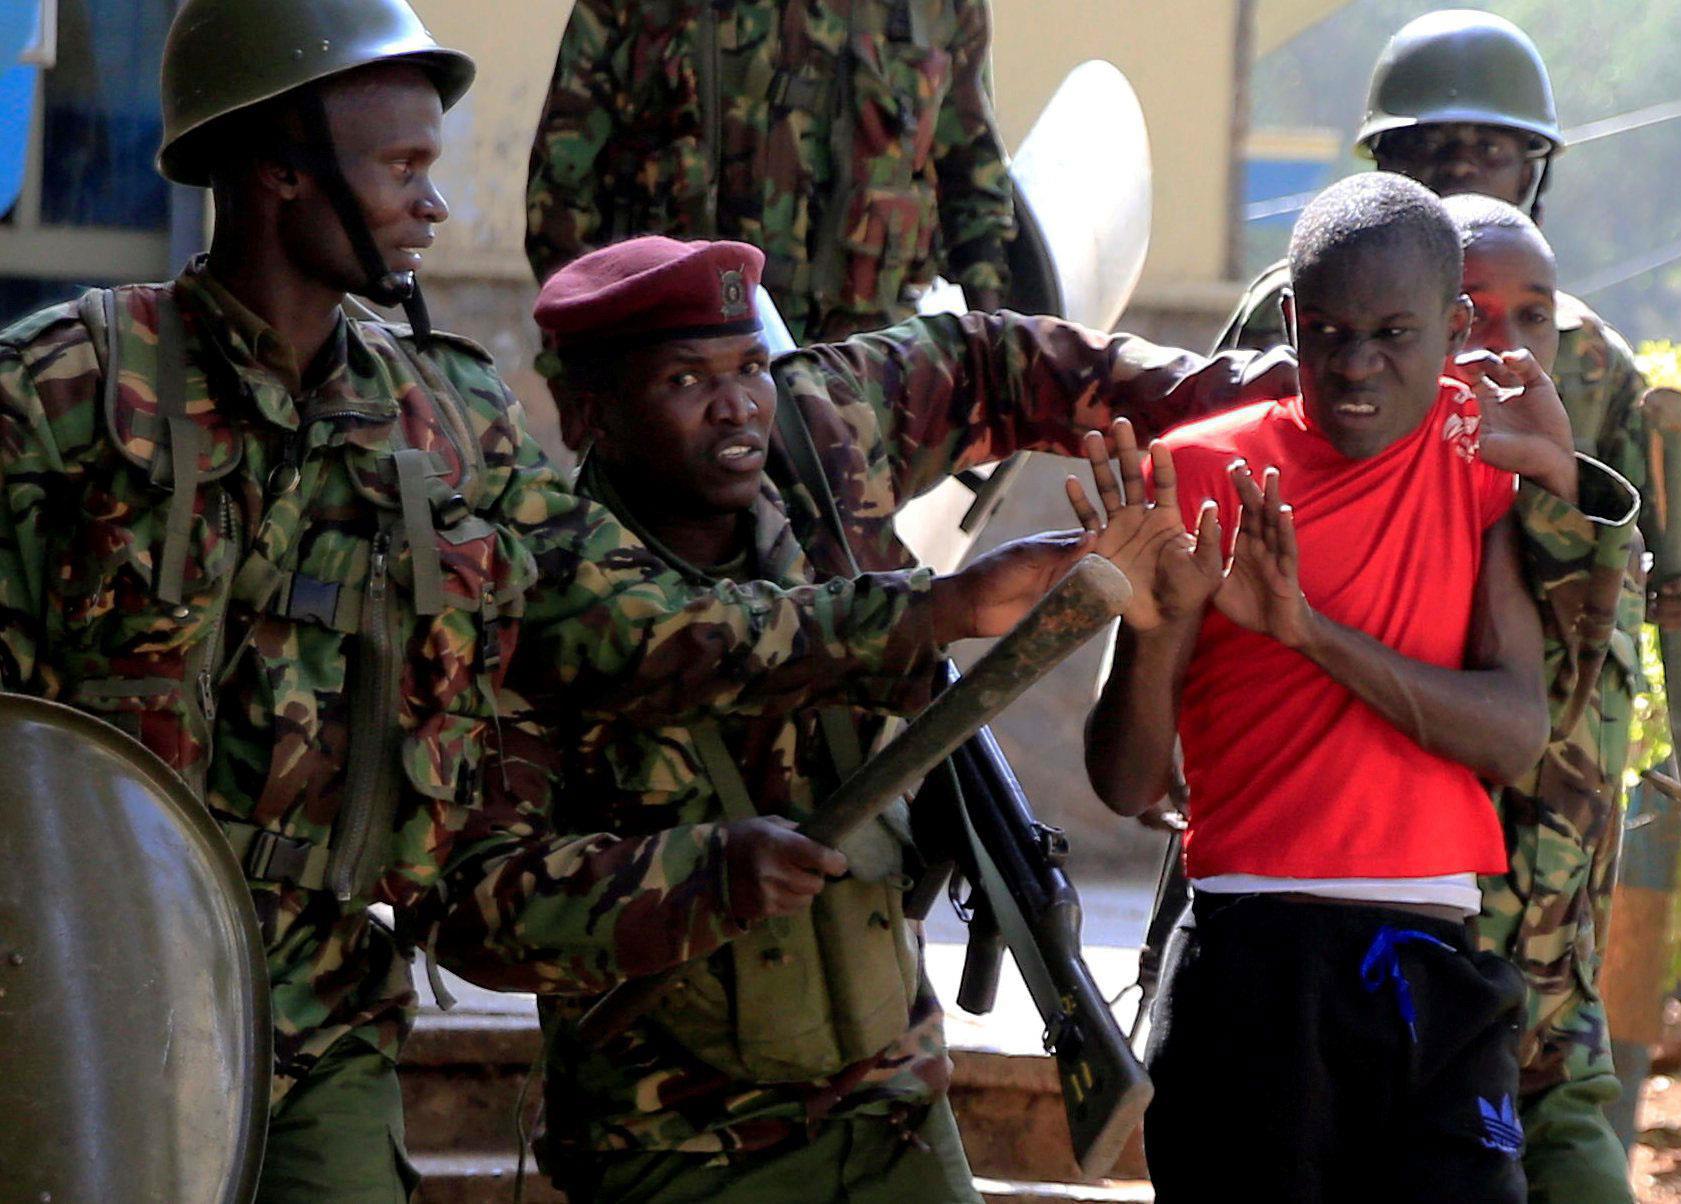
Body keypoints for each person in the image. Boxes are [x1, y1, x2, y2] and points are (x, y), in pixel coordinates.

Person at [0, 2, 1229, 1198]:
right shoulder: (67, 392)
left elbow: (638, 620)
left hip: (323, 1008)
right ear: (279, 171)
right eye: (401, 167)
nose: (433, 201)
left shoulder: (447, 417)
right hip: (89, 985)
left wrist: (928, 611)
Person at [426, 233, 1266, 1203]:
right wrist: (703, 875)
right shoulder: (547, 605)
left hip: (891, 1109)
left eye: (747, 364)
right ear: (588, 413)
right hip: (679, 1145)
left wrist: (1255, 394)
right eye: (684, 379)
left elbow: (991, 361)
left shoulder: (819, 439)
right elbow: (479, 910)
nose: (737, 403)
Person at [1086, 173, 1565, 1202]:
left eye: (1392, 332)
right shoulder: (1197, 473)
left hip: (1433, 960)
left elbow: (1513, 732)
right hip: (1249, 960)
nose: (1354, 366)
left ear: (1450, 327)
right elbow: (1125, 783)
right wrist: (1156, 624)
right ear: (1292, 321)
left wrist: (1310, 634)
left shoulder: (1478, 461)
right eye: (1328, 332)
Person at [1215, 9, 1670, 625]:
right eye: (1429, 146)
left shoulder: (1587, 353)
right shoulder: (1297, 303)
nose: (1460, 167)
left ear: (1530, 174)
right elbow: (1207, 489)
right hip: (1326, 631)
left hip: (1519, 685)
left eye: (1489, 148)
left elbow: (1628, 549)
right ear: (1386, 164)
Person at [1446, 193, 1642, 1203]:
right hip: (1418, 1010)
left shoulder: (1591, 527)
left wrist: (1553, 488)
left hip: (1555, 1023)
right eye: (1472, 313)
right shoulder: (1374, 522)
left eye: (1534, 316)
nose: (1508, 346)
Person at [524, 0, 1014, 345]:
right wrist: (574, 361)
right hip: (682, 354)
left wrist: (995, 345)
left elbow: (971, 169)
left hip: (864, 362)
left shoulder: (941, 7)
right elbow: (561, 180)